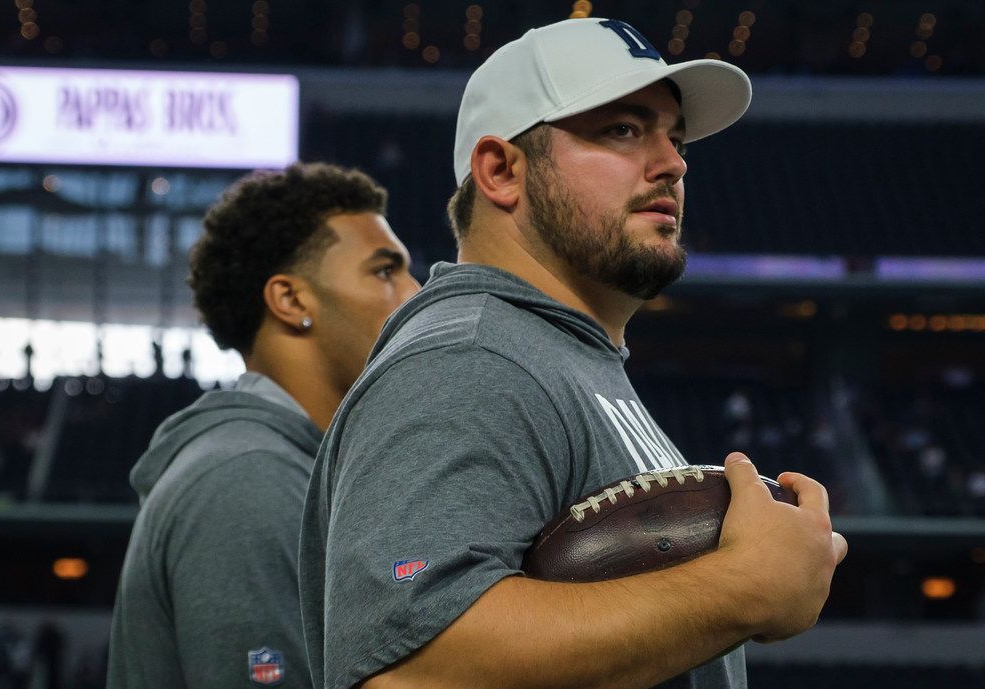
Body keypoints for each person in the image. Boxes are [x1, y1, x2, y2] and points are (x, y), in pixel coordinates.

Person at [299, 17, 847, 689]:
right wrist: (741, 588)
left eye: (673, 138)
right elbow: (412, 671)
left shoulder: (555, 352)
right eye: (622, 129)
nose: (673, 162)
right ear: (501, 171)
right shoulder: (469, 359)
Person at [107, 162, 419, 689]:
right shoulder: (248, 480)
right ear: (291, 300)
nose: (415, 295)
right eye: (385, 271)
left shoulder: (289, 467)